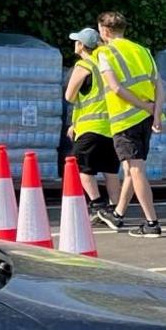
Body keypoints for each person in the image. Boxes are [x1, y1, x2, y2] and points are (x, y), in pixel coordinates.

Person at [91, 11, 164, 237]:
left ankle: (152, 224)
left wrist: (145, 108)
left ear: (104, 31)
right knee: (132, 169)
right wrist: (156, 112)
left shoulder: (104, 52)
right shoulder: (142, 51)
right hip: (146, 118)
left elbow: (116, 88)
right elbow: (159, 85)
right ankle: (119, 214)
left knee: (136, 169)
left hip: (126, 118)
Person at [62, 26, 122, 229]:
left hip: (91, 126)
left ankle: (98, 206)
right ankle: (115, 211)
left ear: (81, 45)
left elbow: (70, 96)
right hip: (111, 126)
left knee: (83, 168)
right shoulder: (107, 63)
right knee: (110, 171)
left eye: (76, 41)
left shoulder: (84, 65)